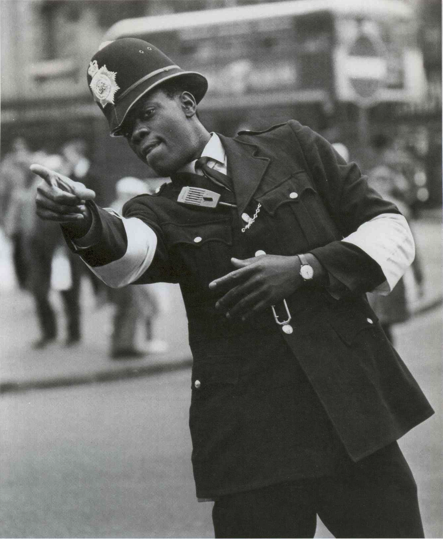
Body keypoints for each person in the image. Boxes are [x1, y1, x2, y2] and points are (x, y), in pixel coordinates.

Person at [32, 39, 434, 538]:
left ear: (187, 102)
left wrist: (306, 267)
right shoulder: (156, 210)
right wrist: (83, 220)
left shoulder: (291, 146)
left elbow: (390, 229)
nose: (139, 132)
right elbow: (126, 251)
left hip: (351, 419)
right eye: (127, 130)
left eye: (147, 112)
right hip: (254, 447)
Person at [107, 176, 166, 359]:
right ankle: (124, 346)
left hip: (116, 269)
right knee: (131, 307)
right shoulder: (123, 213)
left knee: (124, 307)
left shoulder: (112, 210)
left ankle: (120, 344)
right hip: (129, 269)